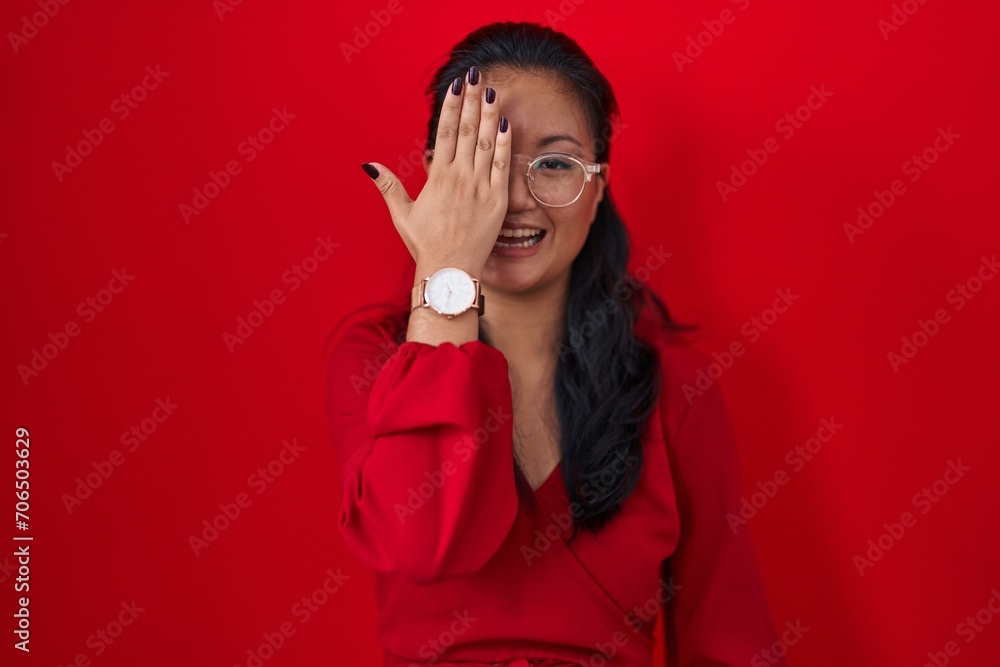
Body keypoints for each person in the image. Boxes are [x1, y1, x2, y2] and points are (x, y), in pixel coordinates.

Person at [327, 21, 785, 667]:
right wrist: (447, 270)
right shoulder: (371, 359)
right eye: (482, 161)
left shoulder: (675, 383)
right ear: (435, 177)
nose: (515, 199)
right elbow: (424, 541)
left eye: (554, 164)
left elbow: (731, 640)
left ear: (596, 189)